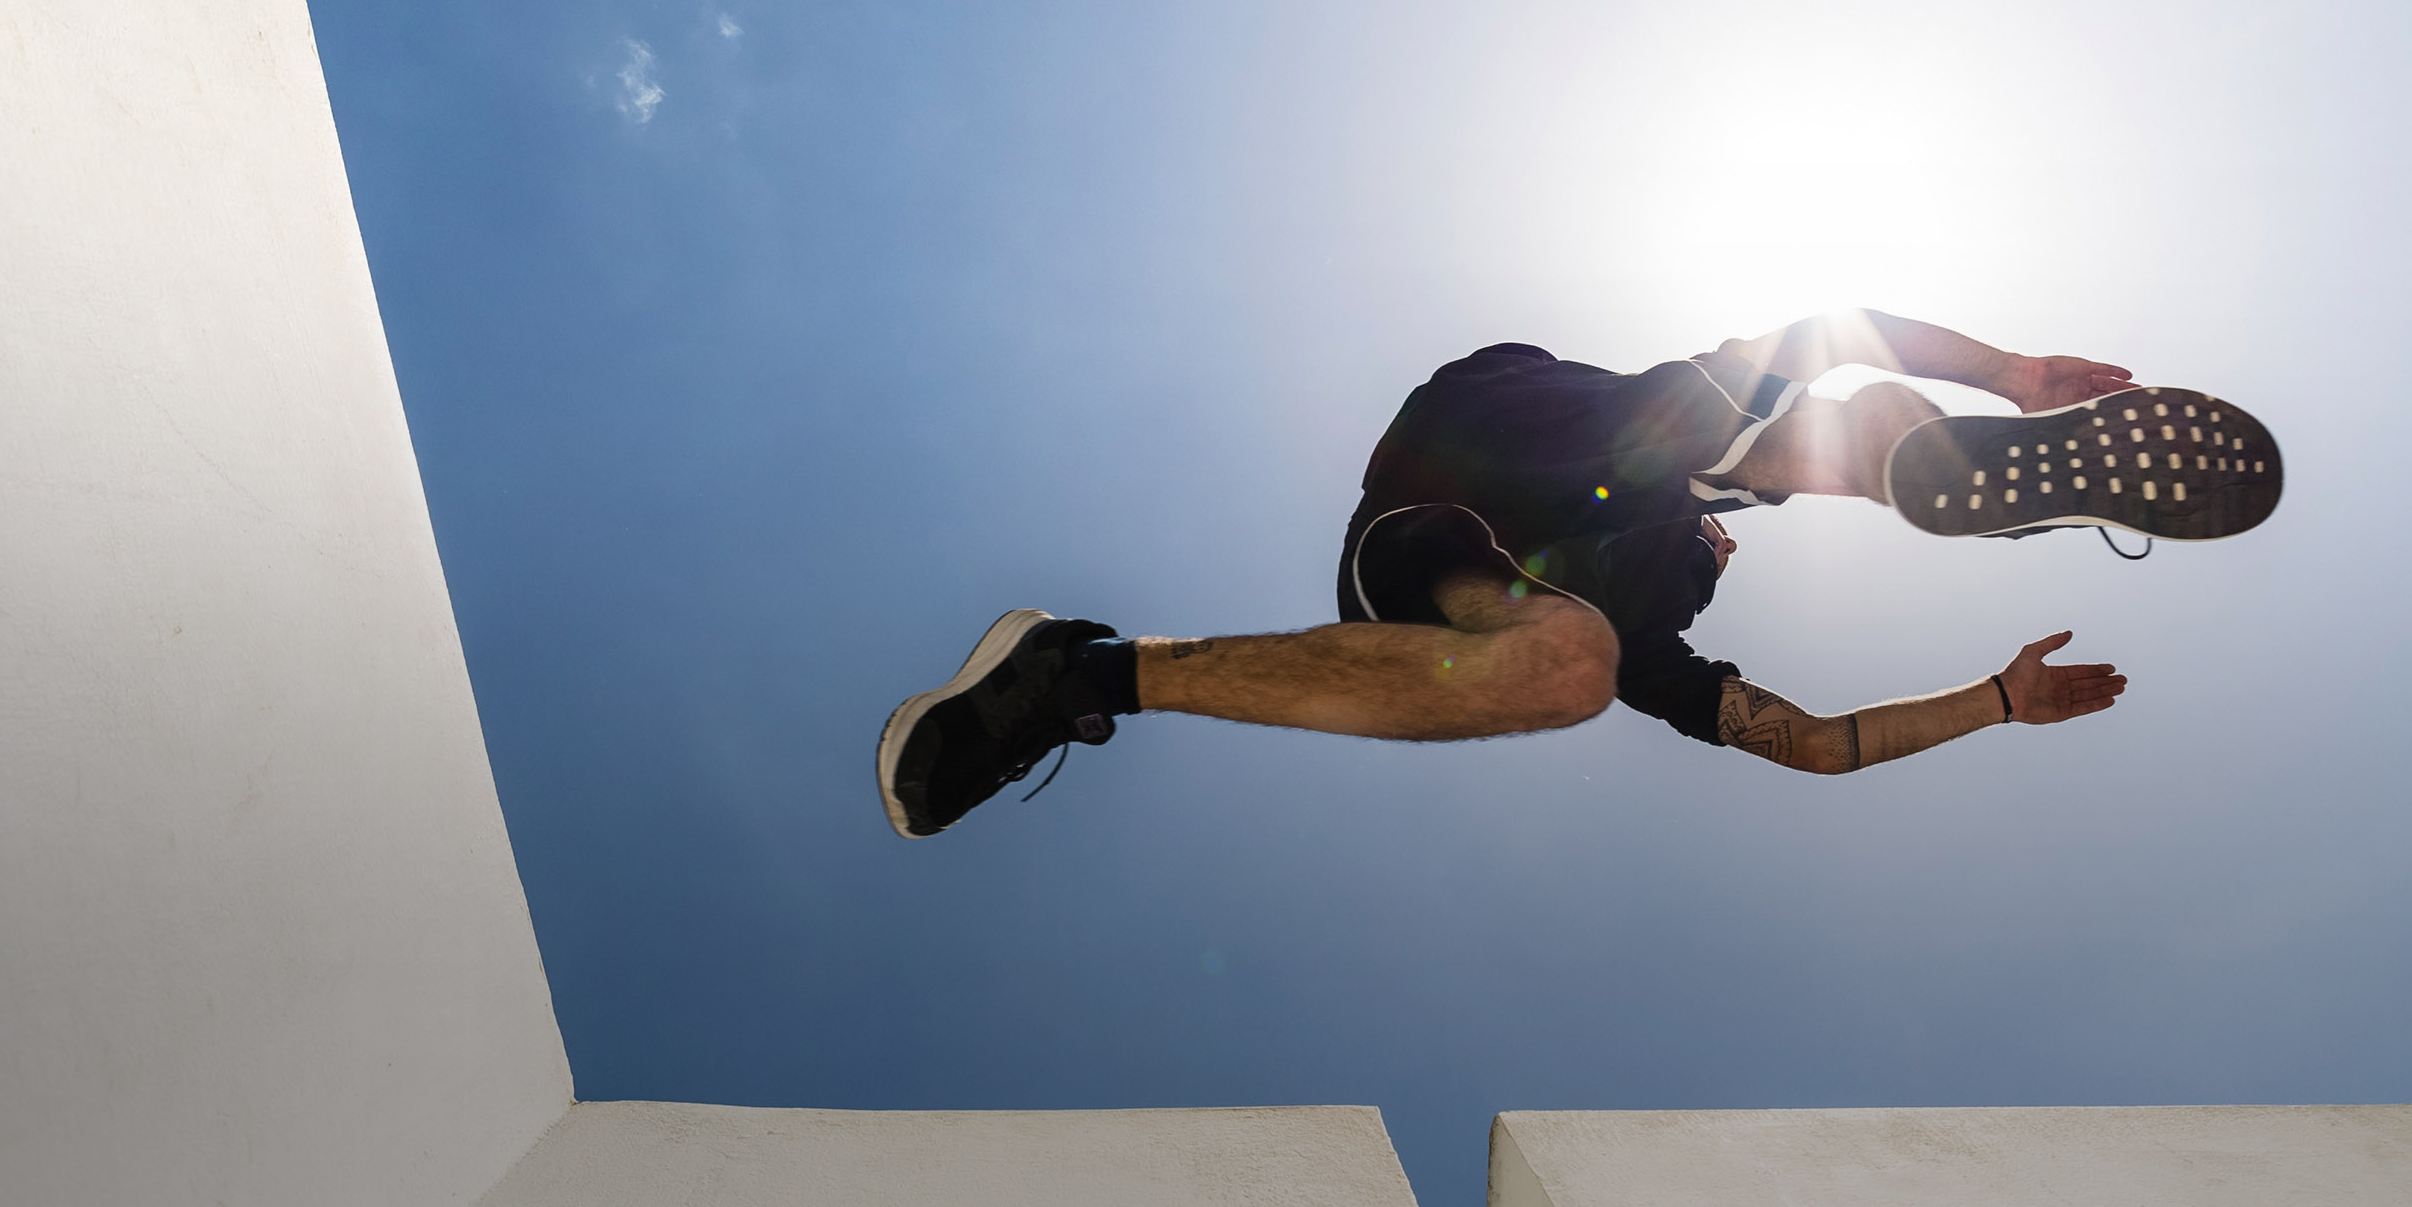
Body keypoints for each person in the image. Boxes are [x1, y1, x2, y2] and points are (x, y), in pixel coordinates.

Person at [877, 308, 2279, 838]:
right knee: (1720, 440)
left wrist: (1994, 702)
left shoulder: (1649, 622)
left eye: (1712, 560)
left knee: (1573, 667)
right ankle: (1901, 465)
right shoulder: (1676, 449)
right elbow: (1827, 318)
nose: (1712, 571)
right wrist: (2012, 372)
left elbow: (1809, 746)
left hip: (1495, 573)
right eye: (1712, 557)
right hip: (1458, 460)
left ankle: (1082, 670)